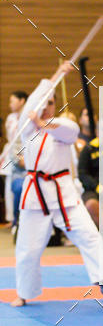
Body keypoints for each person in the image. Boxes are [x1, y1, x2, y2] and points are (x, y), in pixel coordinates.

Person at [11, 62, 103, 307]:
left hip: (63, 193)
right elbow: (32, 105)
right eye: (42, 102)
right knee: (28, 248)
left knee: (90, 237)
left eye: (50, 102)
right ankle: (24, 293)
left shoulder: (64, 126)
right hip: (35, 193)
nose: (46, 106)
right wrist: (57, 74)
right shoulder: (27, 129)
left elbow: (69, 131)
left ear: (55, 105)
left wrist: (43, 123)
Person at [1, 90, 28, 226]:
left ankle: (18, 219)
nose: (10, 104)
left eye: (13, 101)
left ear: (22, 101)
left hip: (26, 153)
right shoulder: (11, 118)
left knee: (19, 186)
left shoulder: (29, 116)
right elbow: (9, 137)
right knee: (9, 186)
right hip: (12, 151)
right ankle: (12, 219)